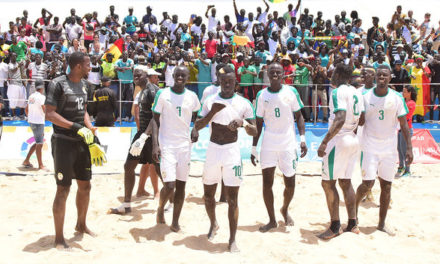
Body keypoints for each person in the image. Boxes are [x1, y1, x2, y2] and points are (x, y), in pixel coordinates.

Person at [192, 65, 257, 252]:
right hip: (213, 150)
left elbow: (255, 130)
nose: (227, 84)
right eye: (224, 81)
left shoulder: (244, 103)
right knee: (208, 196)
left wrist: (242, 123)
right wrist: (212, 112)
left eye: (230, 81)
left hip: (232, 152)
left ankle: (232, 239)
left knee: (233, 199)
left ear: (235, 82)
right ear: (219, 82)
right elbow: (197, 125)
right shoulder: (210, 100)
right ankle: (213, 223)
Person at [45, 52, 106, 249]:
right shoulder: (58, 84)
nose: (91, 67)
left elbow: (84, 111)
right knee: (63, 189)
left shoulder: (85, 85)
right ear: (78, 66)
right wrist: (74, 127)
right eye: (88, 64)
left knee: (86, 186)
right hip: (63, 142)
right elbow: (50, 114)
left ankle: (81, 225)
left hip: (82, 142)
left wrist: (90, 128)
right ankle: (59, 238)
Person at [355, 66, 413, 235]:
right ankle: (354, 216)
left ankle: (381, 224)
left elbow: (404, 124)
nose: (381, 77)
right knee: (367, 184)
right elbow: (360, 121)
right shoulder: (365, 96)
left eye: (384, 75)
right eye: (379, 74)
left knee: (386, 186)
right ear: (375, 77)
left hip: (389, 149)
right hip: (370, 147)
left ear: (390, 78)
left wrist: (409, 148)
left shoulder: (396, 98)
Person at [251, 62, 307, 232]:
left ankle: (284, 208)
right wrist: (254, 147)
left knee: (290, 183)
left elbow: (299, 117)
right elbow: (258, 123)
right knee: (267, 183)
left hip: (288, 143)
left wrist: (302, 139)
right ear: (267, 73)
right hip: (268, 143)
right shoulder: (261, 94)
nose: (275, 74)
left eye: (278, 72)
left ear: (283, 74)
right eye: (272, 72)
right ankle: (272, 220)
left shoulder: (291, 92)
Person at [317, 63, 364, 240]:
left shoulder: (337, 92)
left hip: (340, 139)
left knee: (328, 183)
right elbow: (363, 119)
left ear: (337, 74)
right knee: (346, 181)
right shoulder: (356, 92)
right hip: (353, 138)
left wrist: (324, 142)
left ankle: (335, 225)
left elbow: (340, 118)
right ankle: (353, 223)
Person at [152, 65, 200, 232]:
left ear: (188, 78)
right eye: (177, 75)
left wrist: (196, 128)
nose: (180, 78)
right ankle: (160, 208)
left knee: (181, 186)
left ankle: (175, 221)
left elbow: (197, 115)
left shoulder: (192, 96)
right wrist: (155, 145)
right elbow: (155, 120)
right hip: (167, 145)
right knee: (170, 185)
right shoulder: (163, 94)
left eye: (183, 75)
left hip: (185, 146)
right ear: (172, 75)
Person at [109, 66, 160, 214]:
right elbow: (139, 116)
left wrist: (144, 136)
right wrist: (141, 134)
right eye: (134, 74)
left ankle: (170, 202)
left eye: (139, 74)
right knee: (129, 166)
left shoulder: (152, 91)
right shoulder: (142, 91)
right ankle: (126, 204)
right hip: (142, 134)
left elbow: (155, 118)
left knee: (158, 169)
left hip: (152, 135)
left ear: (146, 75)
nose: (136, 76)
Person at [135, 68, 161, 198]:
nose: (157, 79)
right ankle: (154, 191)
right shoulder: (144, 92)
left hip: (147, 132)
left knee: (148, 162)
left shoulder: (148, 91)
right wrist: (143, 133)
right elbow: (137, 114)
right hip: (147, 132)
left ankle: (146, 190)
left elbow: (152, 117)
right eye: (156, 77)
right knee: (150, 163)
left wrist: (143, 133)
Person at [22, 79, 47, 170]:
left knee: (38, 141)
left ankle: (26, 160)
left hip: (32, 121)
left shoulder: (31, 96)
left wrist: (31, 117)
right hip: (38, 122)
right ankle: (40, 165)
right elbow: (44, 109)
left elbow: (26, 109)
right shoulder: (42, 97)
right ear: (42, 87)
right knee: (39, 143)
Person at [397, 85, 416, 177]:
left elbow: (406, 116)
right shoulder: (404, 102)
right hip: (401, 128)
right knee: (399, 148)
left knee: (404, 150)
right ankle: (401, 166)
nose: (403, 93)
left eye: (404, 91)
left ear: (409, 93)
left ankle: (407, 170)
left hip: (407, 129)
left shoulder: (411, 103)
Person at [115, 52, 134, 120]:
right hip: (121, 83)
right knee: (120, 100)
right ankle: (119, 116)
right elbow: (115, 67)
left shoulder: (130, 61)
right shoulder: (118, 61)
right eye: (124, 54)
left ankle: (128, 116)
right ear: (122, 55)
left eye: (126, 54)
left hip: (129, 83)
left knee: (129, 100)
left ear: (128, 55)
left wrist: (123, 69)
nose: (125, 55)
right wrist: (120, 69)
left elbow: (131, 67)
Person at [8, 52, 27, 120]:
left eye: (15, 56)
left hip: (20, 83)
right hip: (13, 84)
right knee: (13, 100)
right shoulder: (10, 64)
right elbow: (13, 70)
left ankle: (22, 115)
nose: (15, 57)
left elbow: (22, 72)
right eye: (13, 56)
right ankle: (13, 115)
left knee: (23, 99)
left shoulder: (18, 64)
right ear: (10, 57)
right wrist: (19, 65)